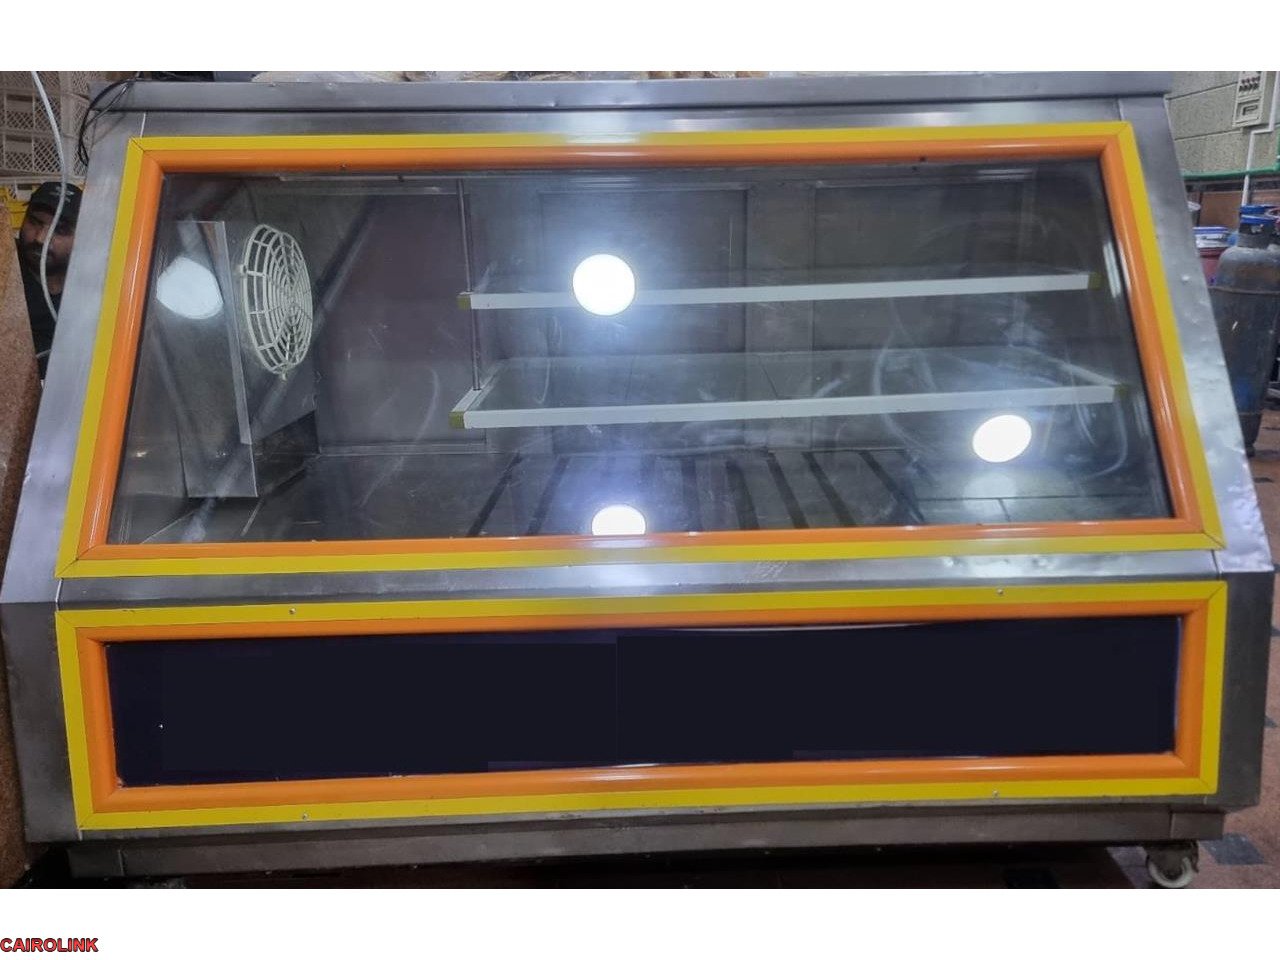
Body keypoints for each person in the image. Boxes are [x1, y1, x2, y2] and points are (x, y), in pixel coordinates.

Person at [14, 181, 83, 379]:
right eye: (34, 222)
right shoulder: (6, 267)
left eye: (60, 230)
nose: (41, 238)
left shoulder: (93, 285)